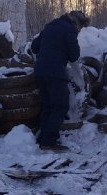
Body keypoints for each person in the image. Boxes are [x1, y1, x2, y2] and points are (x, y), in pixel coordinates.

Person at [31, 10, 88, 152]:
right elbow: (74, 55)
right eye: (80, 27)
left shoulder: (51, 25)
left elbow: (34, 47)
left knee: (47, 106)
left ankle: (43, 139)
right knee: (61, 106)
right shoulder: (70, 30)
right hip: (55, 72)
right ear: (76, 22)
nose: (79, 30)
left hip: (39, 71)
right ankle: (49, 142)